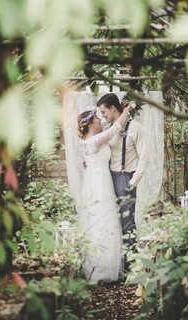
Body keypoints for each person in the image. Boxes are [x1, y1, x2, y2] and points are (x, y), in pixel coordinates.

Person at [77, 101, 134, 282]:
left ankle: (106, 266)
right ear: (90, 124)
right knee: (101, 221)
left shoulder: (94, 138)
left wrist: (116, 110)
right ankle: (101, 270)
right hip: (98, 184)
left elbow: (110, 127)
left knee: (106, 221)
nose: (101, 119)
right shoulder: (94, 140)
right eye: (97, 117)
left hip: (101, 180)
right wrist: (127, 109)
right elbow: (115, 128)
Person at [97, 93, 149, 273]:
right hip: (108, 178)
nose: (102, 116)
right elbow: (95, 130)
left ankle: (130, 266)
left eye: (104, 111)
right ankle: (114, 265)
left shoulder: (136, 128)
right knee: (111, 221)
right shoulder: (109, 127)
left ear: (113, 108)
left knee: (127, 222)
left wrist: (133, 182)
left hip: (126, 177)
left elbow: (145, 157)